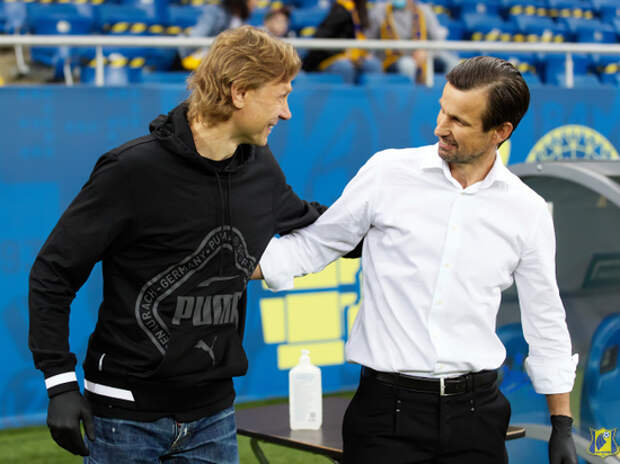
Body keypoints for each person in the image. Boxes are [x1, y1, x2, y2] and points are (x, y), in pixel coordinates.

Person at [253, 56, 579, 464]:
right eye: (443, 109)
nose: (441, 126)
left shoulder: (527, 211)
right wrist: (226, 267)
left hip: (477, 419)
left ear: (501, 132)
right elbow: (315, 245)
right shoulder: (387, 173)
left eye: (459, 121)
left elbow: (545, 319)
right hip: (384, 417)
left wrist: (561, 425)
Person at [29, 26, 328, 463]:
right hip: (123, 417)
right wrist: (59, 382)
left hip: (214, 415)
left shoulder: (260, 168)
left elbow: (314, 224)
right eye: (280, 97)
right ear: (239, 92)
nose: (286, 113)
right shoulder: (131, 170)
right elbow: (53, 273)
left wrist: (390, 221)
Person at [366, 0, 460, 83]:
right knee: (408, 64)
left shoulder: (424, 10)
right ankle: (415, 95)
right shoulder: (380, 10)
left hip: (423, 56)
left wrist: (427, 53)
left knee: (454, 64)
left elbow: (438, 40)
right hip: (392, 59)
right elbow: (368, 40)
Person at [301, 0, 383, 84]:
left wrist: (361, 55)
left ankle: (374, 92)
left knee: (373, 64)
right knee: (345, 67)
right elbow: (320, 43)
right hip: (329, 58)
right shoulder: (341, 9)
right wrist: (344, 54)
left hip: (354, 57)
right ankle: (345, 92)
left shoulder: (362, 11)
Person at [181, 0, 257, 70]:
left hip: (229, 66)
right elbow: (196, 38)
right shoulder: (215, 12)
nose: (255, 3)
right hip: (208, 65)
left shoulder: (243, 20)